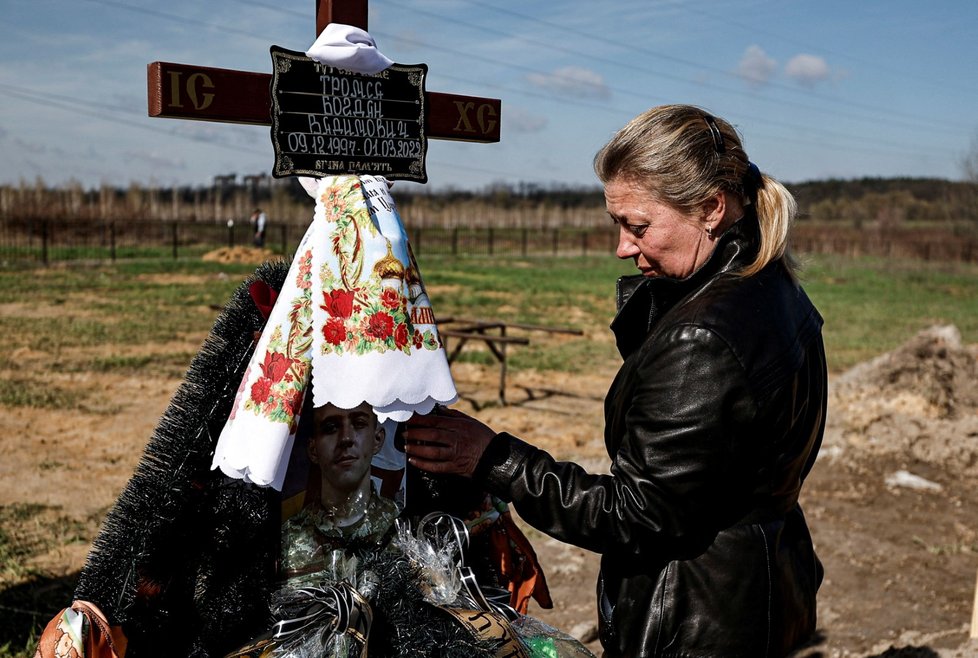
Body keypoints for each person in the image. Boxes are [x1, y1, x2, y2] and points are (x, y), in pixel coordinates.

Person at [405, 104, 827, 658]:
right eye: (617, 224)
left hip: (698, 618)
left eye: (639, 226)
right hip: (765, 587)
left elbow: (636, 513)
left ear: (711, 208)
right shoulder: (770, 284)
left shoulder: (702, 339)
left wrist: (495, 458)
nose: (623, 248)